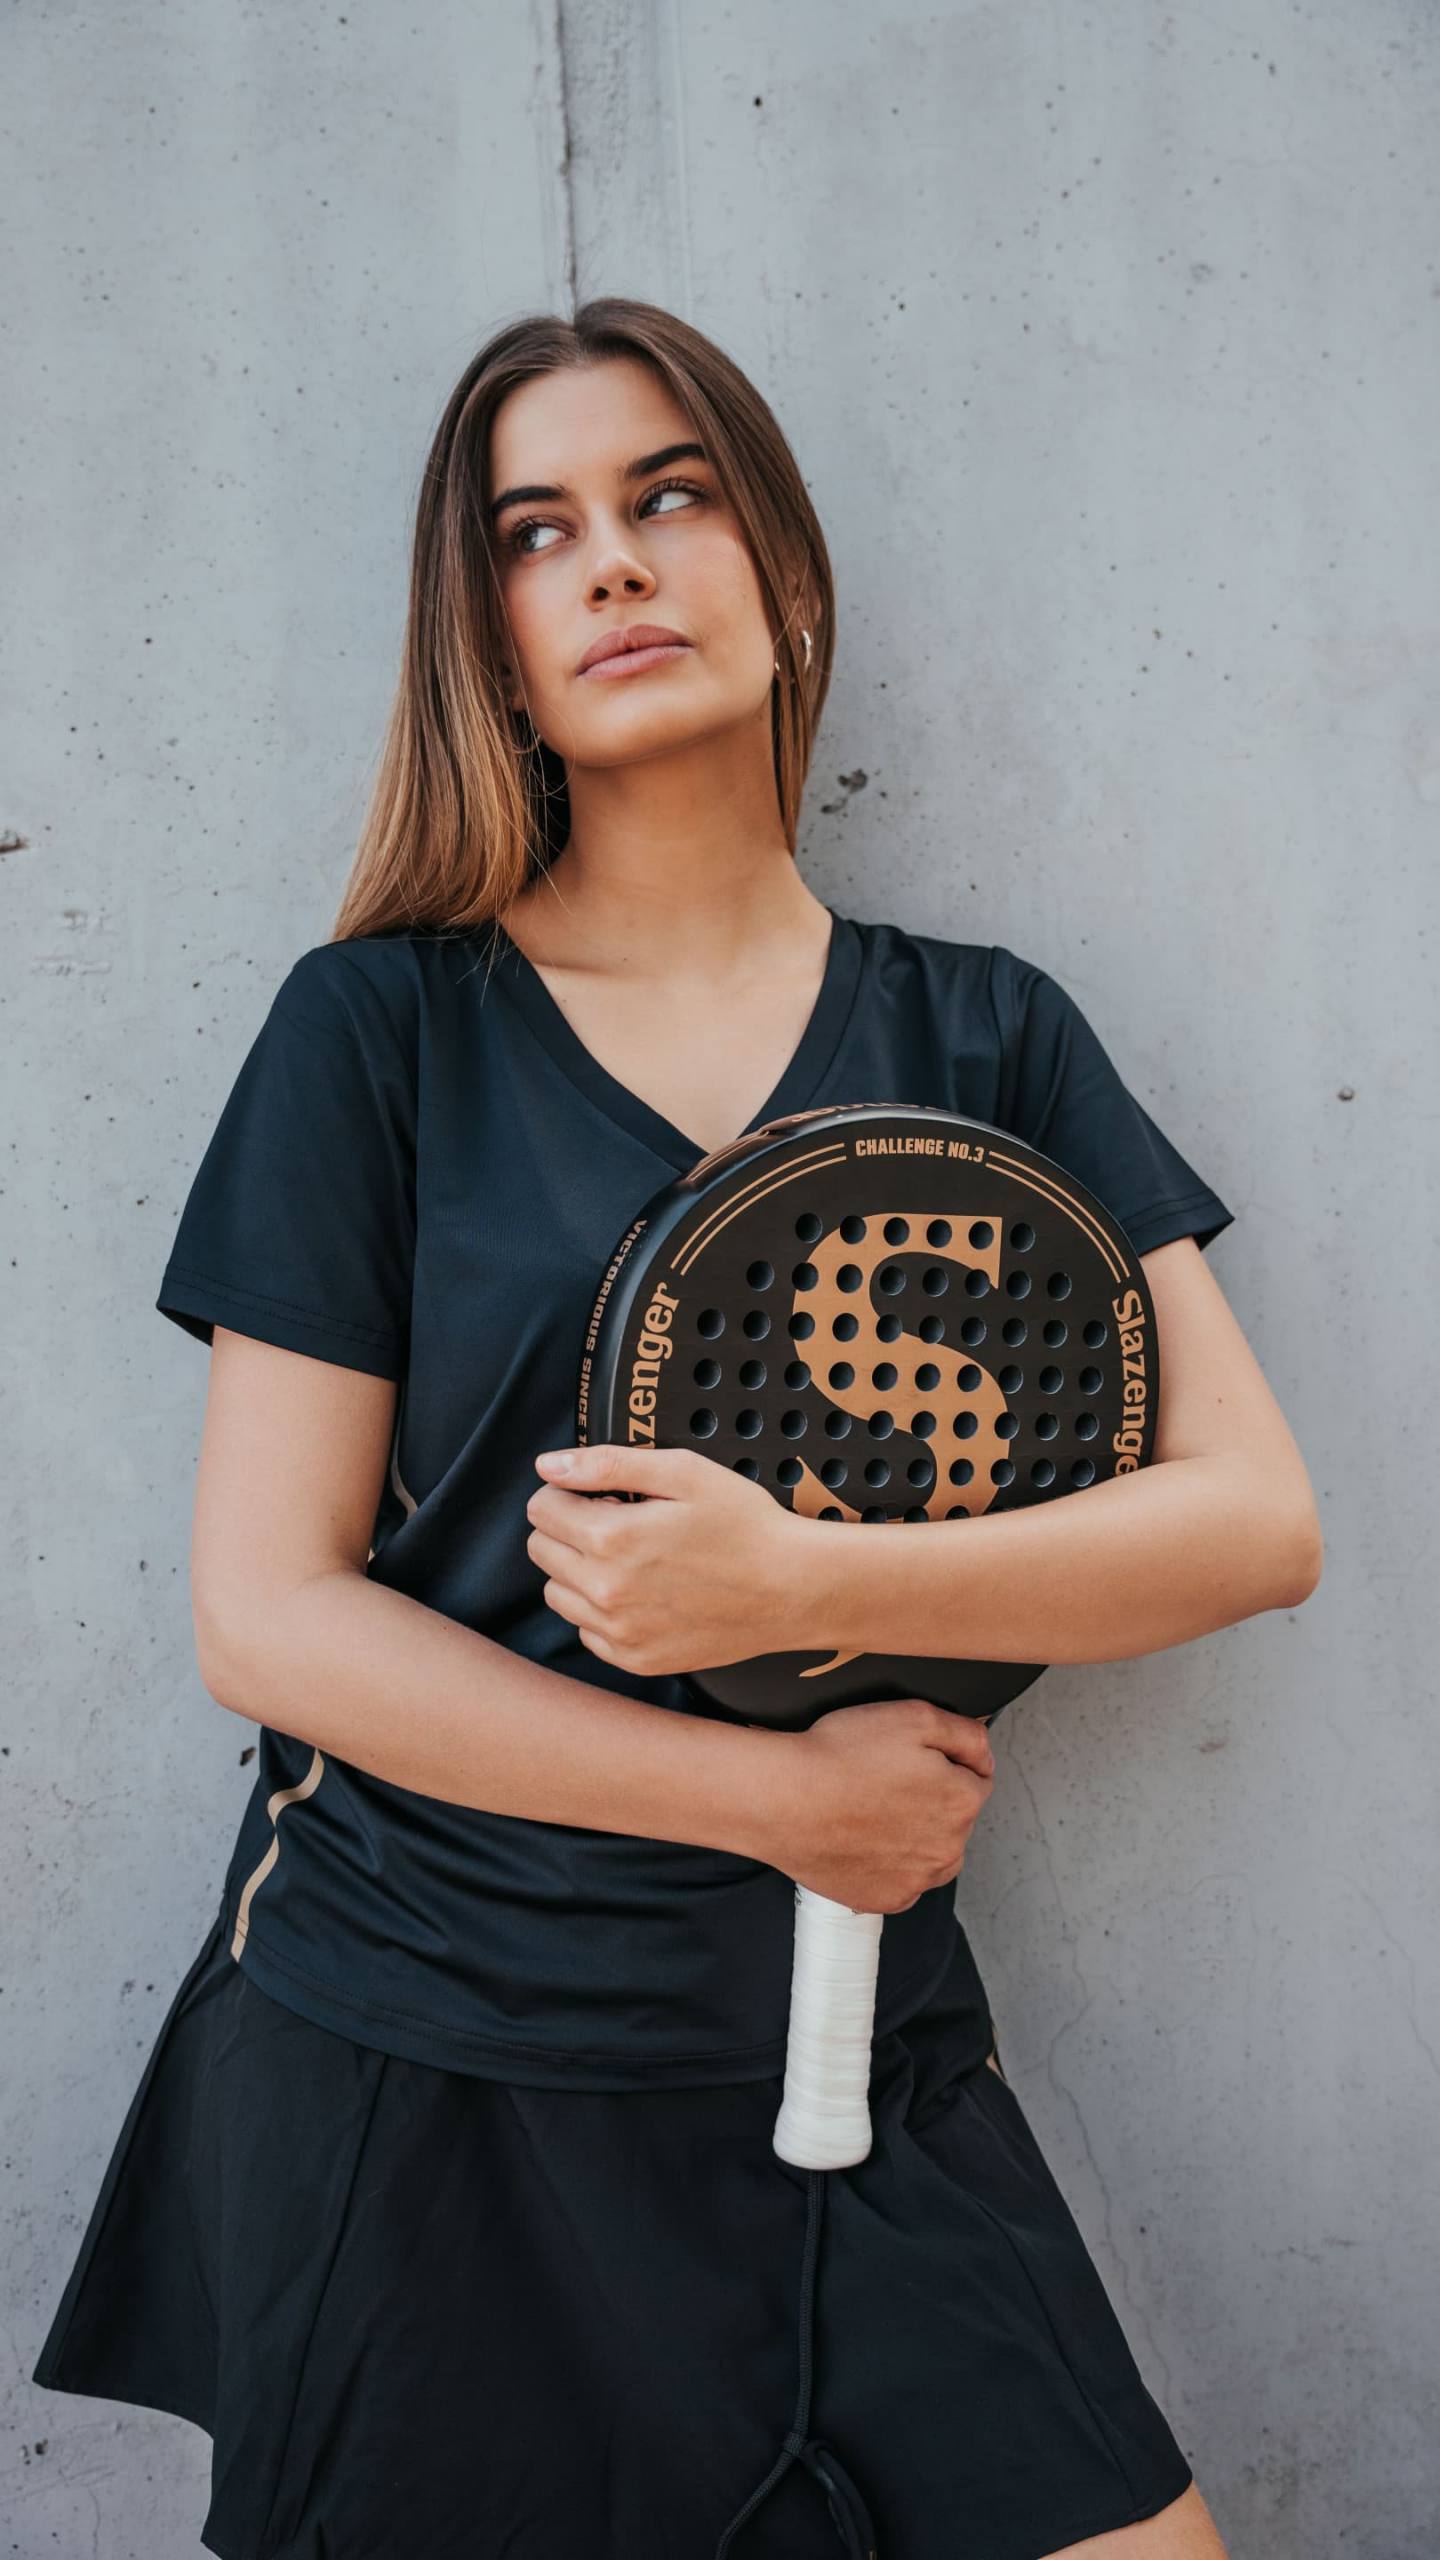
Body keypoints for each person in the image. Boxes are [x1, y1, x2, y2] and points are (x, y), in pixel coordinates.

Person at [32, 296, 1321, 2560]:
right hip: (424, 2057)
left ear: (785, 573)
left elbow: (1250, 1519)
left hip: (845, 2055)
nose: (612, 559)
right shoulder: (377, 1032)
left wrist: (807, 1585)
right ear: (492, 648)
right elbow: (269, 1617)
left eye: (671, 495)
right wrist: (777, 1796)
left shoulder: (987, 1034)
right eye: (536, 532)